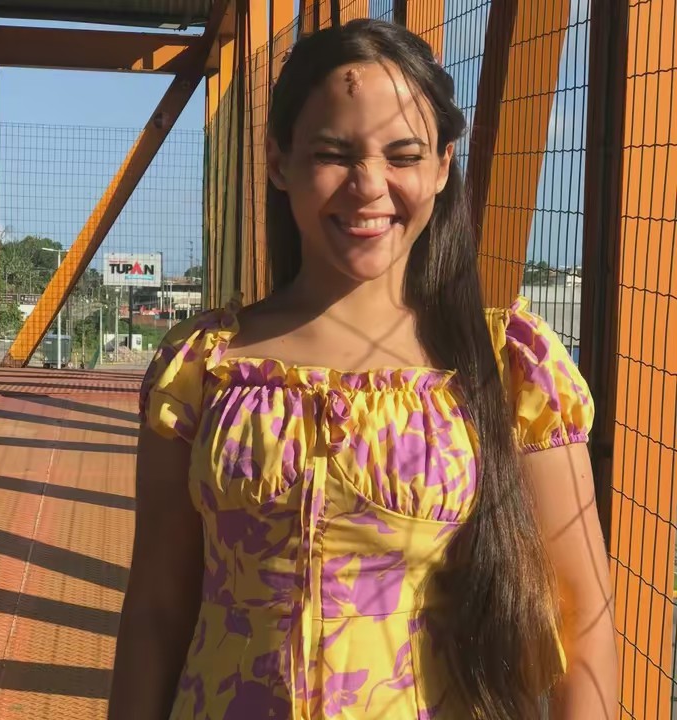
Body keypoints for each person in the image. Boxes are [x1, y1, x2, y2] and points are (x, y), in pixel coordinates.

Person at [109, 18, 618, 720]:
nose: (369, 185)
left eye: (404, 155)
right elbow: (157, 610)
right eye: (333, 153)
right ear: (279, 161)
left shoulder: (509, 367)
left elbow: (583, 620)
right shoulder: (201, 368)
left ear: (442, 167)